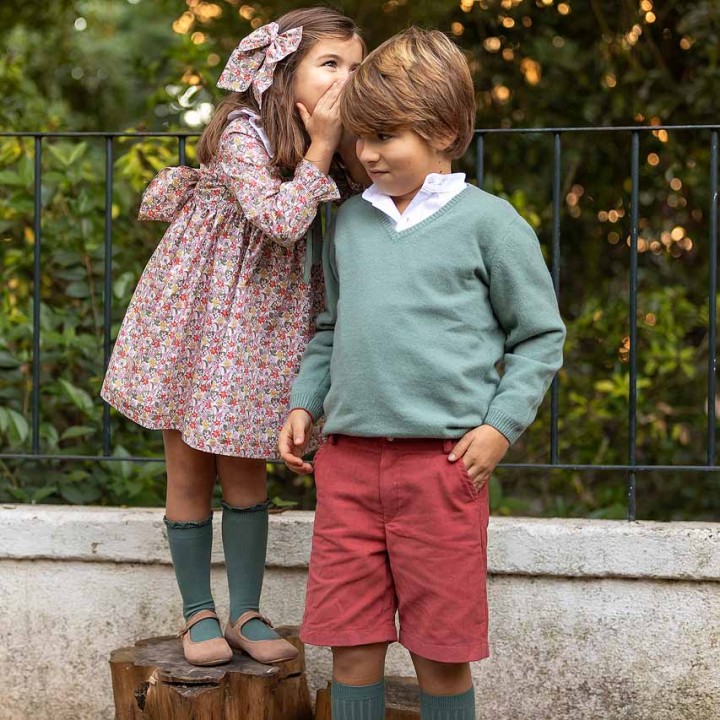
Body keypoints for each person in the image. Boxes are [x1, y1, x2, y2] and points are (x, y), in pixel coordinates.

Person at [279, 27, 566, 719]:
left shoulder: (492, 226)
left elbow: (540, 337)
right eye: (360, 137)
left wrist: (499, 429)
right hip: (346, 467)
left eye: (386, 136)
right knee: (350, 647)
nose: (367, 152)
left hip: (441, 472)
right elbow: (329, 328)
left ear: (441, 129)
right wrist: (303, 402)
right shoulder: (346, 224)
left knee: (441, 654)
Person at [101, 7, 365, 666]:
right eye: (331, 64)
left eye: (356, 68)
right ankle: (198, 615)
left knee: (245, 468)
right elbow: (279, 219)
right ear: (282, 71)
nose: (346, 80)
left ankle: (245, 611)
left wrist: (336, 143)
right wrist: (325, 146)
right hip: (199, 315)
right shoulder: (242, 132)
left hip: (260, 329)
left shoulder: (329, 135)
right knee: (189, 468)